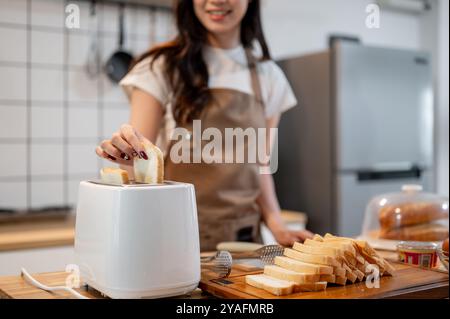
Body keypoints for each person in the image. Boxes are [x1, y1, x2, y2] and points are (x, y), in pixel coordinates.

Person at [96, 0, 314, 251]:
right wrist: (127, 157)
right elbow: (140, 166)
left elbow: (260, 163)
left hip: (243, 245)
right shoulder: (160, 67)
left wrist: (276, 224)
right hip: (175, 239)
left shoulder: (268, 76)